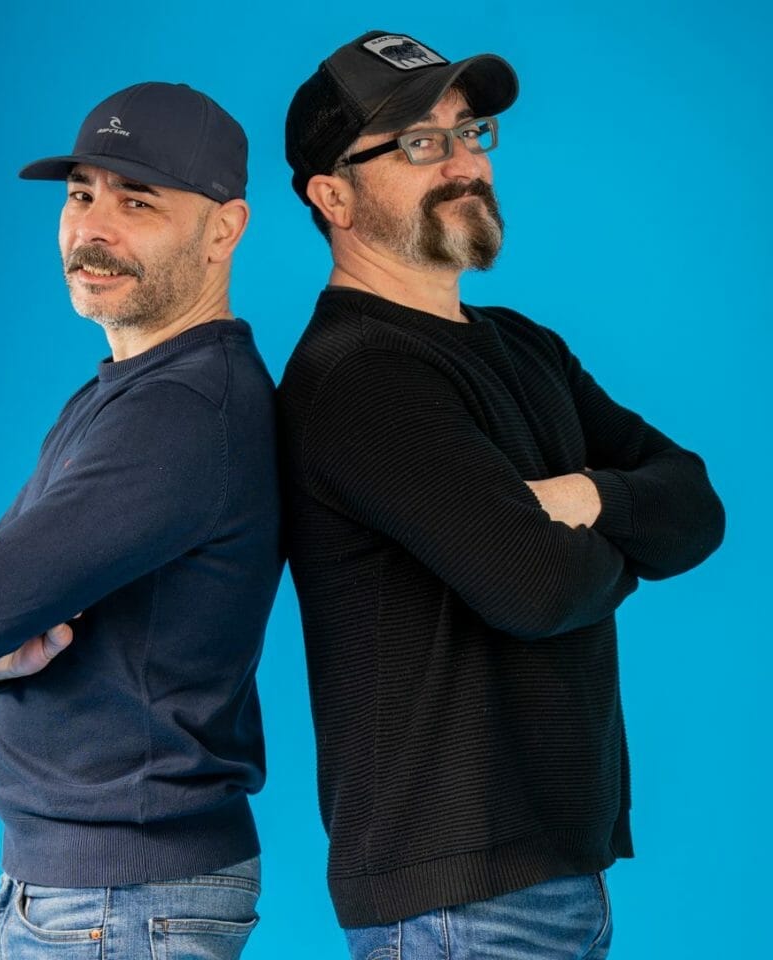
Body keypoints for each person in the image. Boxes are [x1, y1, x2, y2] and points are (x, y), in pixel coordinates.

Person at [279, 30, 725, 959]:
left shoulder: (524, 345)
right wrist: (612, 529)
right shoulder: (359, 375)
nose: (465, 163)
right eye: (420, 143)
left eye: (469, 132)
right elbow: (539, 588)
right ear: (332, 196)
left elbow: (696, 509)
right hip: (456, 899)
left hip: (554, 875)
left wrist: (585, 498)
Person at [0, 81, 281, 960]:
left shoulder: (182, 413)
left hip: (122, 898)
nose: (93, 229)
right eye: (81, 195)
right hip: (99, 891)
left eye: (137, 202)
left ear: (224, 231)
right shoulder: (122, 394)